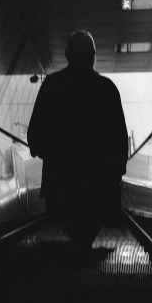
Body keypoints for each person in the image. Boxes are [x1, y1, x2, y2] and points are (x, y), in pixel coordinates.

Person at [27, 30, 128, 249]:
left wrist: (44, 151)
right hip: (98, 178)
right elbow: (119, 136)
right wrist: (117, 171)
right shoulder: (107, 89)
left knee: (69, 216)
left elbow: (35, 132)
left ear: (66, 55)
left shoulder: (51, 86)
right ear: (93, 56)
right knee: (89, 217)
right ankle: (84, 249)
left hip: (60, 176)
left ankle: (77, 250)